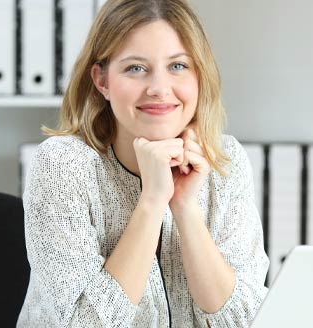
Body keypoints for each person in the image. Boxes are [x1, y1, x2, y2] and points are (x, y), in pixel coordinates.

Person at [16, 0, 269, 326]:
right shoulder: (63, 167)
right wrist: (152, 200)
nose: (159, 89)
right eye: (135, 68)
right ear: (102, 81)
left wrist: (184, 207)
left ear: (199, 76)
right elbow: (82, 323)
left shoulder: (226, 161)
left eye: (178, 66)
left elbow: (248, 320)